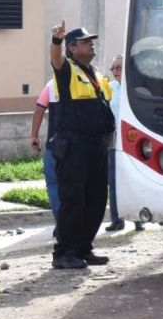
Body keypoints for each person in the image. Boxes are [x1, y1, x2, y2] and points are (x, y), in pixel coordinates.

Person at [48, 21, 114, 269]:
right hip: (74, 146)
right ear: (73, 48)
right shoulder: (66, 69)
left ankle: (84, 248)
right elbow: (55, 59)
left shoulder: (95, 73)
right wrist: (56, 40)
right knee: (73, 201)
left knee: (96, 199)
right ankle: (63, 252)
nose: (91, 44)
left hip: (96, 145)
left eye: (91, 41)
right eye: (86, 41)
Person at [105, 55, 143, 232]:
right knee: (113, 181)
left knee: (134, 179)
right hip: (114, 140)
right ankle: (116, 219)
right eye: (113, 69)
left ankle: (138, 219)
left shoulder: (135, 88)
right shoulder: (109, 89)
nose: (116, 72)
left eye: (119, 67)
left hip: (133, 141)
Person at [28, 79, 60, 226]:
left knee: (53, 183)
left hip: (55, 144)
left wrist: (34, 135)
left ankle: (60, 221)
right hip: (79, 146)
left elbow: (39, 109)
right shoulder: (86, 79)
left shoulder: (52, 85)